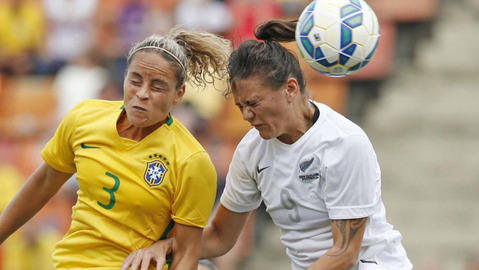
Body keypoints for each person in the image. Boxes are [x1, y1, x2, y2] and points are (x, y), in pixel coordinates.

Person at [127, 19, 413, 270]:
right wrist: (164, 247)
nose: (246, 115)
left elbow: (344, 254)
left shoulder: (343, 143)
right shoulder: (252, 150)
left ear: (290, 89)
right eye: (240, 106)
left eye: (253, 103)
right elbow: (220, 237)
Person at [0, 27, 232, 270]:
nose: (142, 94)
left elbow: (186, 253)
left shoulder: (191, 160)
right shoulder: (85, 118)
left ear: (178, 94)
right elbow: (43, 183)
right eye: (135, 80)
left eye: (157, 87)